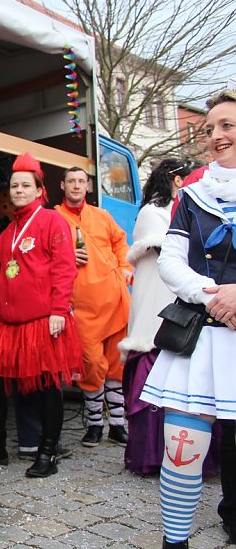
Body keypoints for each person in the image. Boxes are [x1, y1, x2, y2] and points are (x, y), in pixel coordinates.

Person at [140, 89, 236, 549]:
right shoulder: (192, 196)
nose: (216, 136)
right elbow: (172, 262)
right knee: (183, 450)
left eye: (227, 126)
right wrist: (215, 296)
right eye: (211, 128)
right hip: (203, 337)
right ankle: (173, 542)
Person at [0, 153, 82, 478]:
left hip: (43, 321)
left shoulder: (52, 221)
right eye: (14, 186)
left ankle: (47, 453)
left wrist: (59, 310)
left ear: (39, 190)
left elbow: (65, 269)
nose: (18, 190)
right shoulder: (11, 229)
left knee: (48, 387)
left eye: (25, 185)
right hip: (9, 325)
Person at [117, 159, 196, 475]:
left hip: (173, 297)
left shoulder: (173, 210)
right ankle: (152, 454)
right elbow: (169, 252)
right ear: (175, 180)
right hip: (155, 302)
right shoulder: (153, 212)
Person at [55, 167, 133, 448]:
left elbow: (121, 242)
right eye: (71, 181)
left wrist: (126, 269)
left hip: (115, 299)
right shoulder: (54, 218)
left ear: (87, 186)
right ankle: (94, 424)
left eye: (81, 181)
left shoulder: (102, 216)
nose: (76, 186)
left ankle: (116, 425)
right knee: (91, 365)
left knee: (116, 366)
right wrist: (65, 255)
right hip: (82, 305)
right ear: (62, 185)